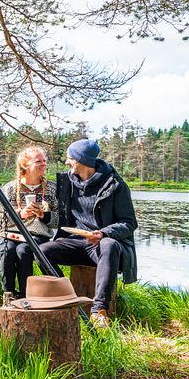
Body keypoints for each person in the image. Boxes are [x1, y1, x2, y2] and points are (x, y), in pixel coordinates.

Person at [40, 139, 138, 327]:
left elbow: (129, 223)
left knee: (109, 244)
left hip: (101, 247)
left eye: (70, 158)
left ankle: (98, 311)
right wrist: (42, 214)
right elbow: (54, 210)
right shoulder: (66, 182)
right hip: (74, 242)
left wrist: (102, 233)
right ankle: (67, 297)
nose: (67, 162)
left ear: (81, 160)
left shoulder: (116, 185)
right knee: (42, 251)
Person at [0, 146, 58, 298]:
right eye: (38, 161)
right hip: (9, 234)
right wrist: (19, 214)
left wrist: (43, 215)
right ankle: (8, 294)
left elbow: (58, 220)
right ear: (25, 166)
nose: (43, 164)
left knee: (23, 251)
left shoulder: (52, 190)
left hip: (37, 235)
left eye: (44, 160)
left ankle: (25, 295)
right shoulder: (9, 189)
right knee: (7, 251)